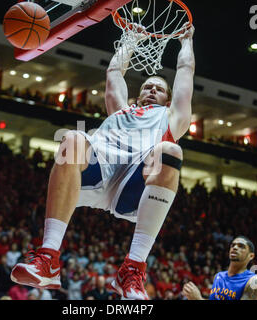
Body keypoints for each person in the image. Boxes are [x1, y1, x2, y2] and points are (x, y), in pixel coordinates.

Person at [11, 24, 195, 300]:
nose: (153, 90)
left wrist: (186, 43)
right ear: (139, 94)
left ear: (168, 99)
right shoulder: (121, 110)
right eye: (148, 86)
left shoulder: (172, 117)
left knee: (171, 150)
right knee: (73, 137)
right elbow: (113, 72)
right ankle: (48, 256)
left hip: (133, 188)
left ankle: (133, 269)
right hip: (95, 175)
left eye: (159, 88)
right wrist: (131, 38)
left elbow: (185, 74)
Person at [182, 236, 257, 300]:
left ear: (251, 256)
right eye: (233, 245)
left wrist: (198, 299)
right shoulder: (218, 276)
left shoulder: (254, 282)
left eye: (241, 246)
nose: (235, 248)